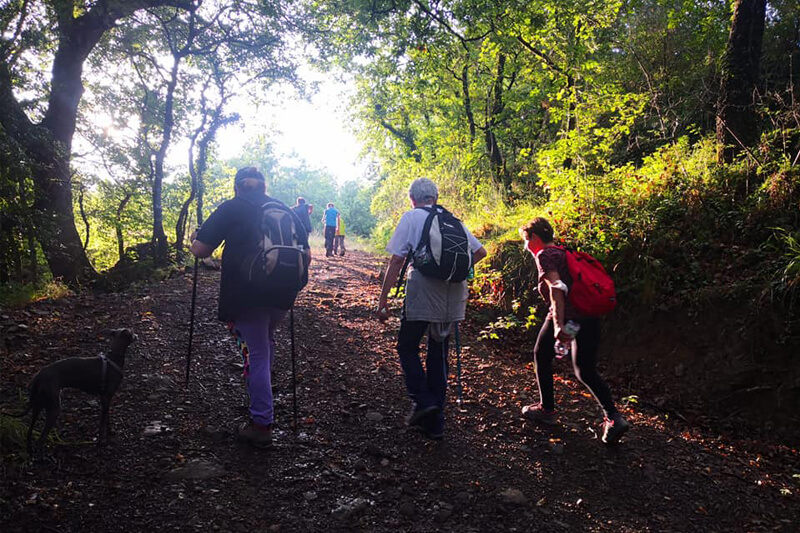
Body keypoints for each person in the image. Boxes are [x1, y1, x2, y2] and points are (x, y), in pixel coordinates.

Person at [190, 167, 310, 448]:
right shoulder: (284, 209)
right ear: (263, 187)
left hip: (246, 291)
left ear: (237, 187)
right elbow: (306, 254)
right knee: (264, 344)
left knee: (255, 352)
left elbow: (200, 251)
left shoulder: (232, 208)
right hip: (284, 290)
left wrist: (193, 239)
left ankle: (261, 423)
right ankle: (262, 396)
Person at [377, 178, 487, 440]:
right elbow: (480, 252)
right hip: (453, 294)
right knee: (438, 353)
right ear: (435, 197)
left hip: (424, 291)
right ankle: (435, 423)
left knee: (407, 346)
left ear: (412, 199)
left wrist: (383, 299)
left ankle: (423, 400)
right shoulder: (453, 220)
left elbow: (396, 260)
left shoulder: (412, 217)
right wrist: (454, 271)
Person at [519, 217, 629, 444]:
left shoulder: (545, 255)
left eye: (526, 240)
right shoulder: (564, 251)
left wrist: (558, 324)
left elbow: (557, 289)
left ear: (536, 238)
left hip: (567, 316)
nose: (525, 246)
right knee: (585, 370)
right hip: (588, 316)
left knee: (541, 355)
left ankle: (546, 410)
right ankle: (614, 417)